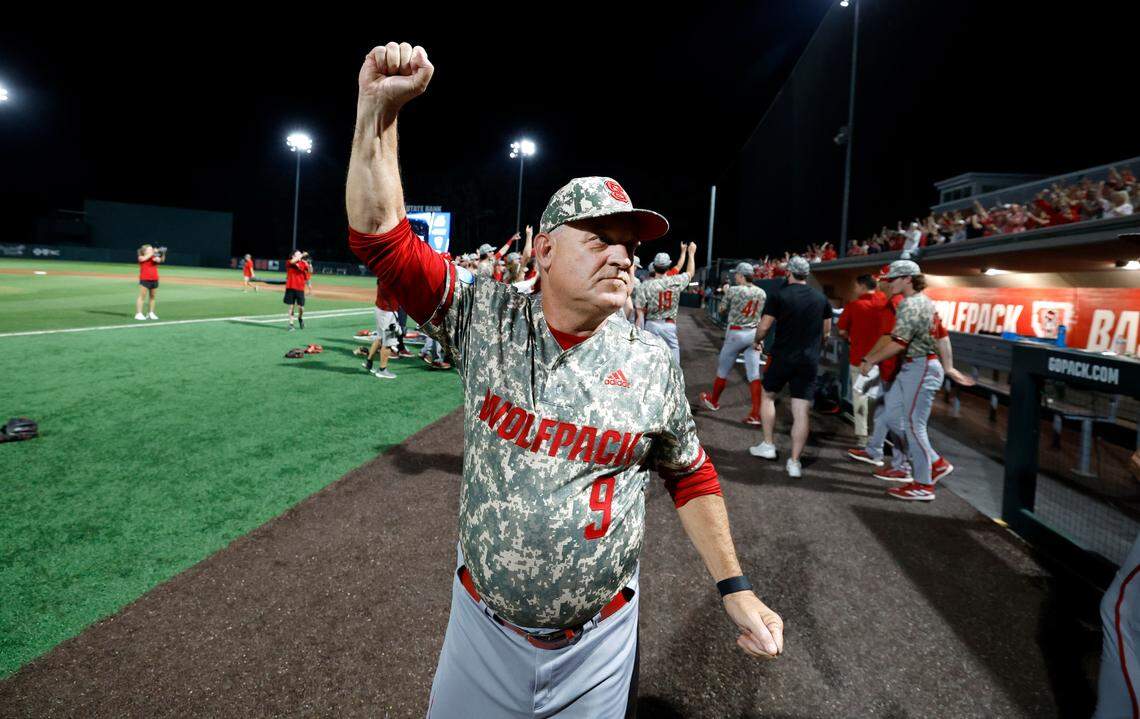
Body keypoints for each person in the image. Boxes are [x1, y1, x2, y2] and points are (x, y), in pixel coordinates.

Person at [345, 42, 783, 718]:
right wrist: (379, 112)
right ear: (543, 249)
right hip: (483, 630)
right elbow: (381, 236)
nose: (621, 255)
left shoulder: (650, 362)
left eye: (629, 244)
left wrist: (735, 585)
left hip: (599, 643)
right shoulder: (486, 318)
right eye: (599, 236)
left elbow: (689, 471)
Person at [858, 260, 947, 502]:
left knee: (913, 425)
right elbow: (943, 337)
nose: (889, 282)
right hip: (917, 365)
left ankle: (923, 484)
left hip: (920, 365)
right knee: (889, 416)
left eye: (894, 278)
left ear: (908, 279)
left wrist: (870, 360)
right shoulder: (923, 302)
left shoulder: (911, 303)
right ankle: (935, 462)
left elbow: (898, 343)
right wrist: (949, 367)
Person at [748, 255, 831, 478]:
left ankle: (768, 444)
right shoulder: (820, 298)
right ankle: (794, 462)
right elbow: (826, 332)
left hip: (783, 356)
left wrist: (757, 340)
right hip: (808, 360)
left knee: (768, 396)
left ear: (789, 273)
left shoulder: (780, 294)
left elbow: (764, 326)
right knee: (801, 410)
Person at [698, 262, 766, 425]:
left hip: (736, 333)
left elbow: (721, 310)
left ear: (742, 275)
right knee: (754, 374)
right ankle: (755, 414)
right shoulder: (761, 292)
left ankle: (713, 401)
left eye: (737, 274)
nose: (736, 276)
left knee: (723, 371)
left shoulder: (734, 290)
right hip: (754, 333)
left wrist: (728, 295)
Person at [836, 274, 885, 447]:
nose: (855, 289)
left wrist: (850, 337)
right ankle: (876, 435)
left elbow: (841, 330)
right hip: (883, 360)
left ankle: (863, 437)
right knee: (878, 400)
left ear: (863, 286)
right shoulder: (885, 304)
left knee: (860, 398)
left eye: (856, 286)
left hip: (860, 359)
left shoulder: (855, 305)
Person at [633, 242, 696, 365]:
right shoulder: (675, 280)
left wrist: (638, 335)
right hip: (669, 325)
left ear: (654, 266)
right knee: (674, 364)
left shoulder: (645, 285)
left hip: (651, 325)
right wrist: (691, 253)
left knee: (650, 362)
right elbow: (690, 273)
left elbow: (640, 316)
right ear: (668, 266)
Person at [363, 278, 398, 379]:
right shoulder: (392, 277)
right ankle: (382, 370)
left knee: (379, 338)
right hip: (388, 311)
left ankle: (368, 362)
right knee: (388, 342)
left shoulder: (384, 273)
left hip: (381, 309)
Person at [135, 244, 164, 320]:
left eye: (152, 249)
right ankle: (138, 314)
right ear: (144, 251)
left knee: (152, 297)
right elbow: (143, 259)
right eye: (150, 249)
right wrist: (154, 252)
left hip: (154, 279)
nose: (151, 250)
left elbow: (161, 260)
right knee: (142, 297)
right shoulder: (141, 257)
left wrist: (162, 253)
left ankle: (150, 313)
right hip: (145, 279)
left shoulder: (154, 257)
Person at [283, 250, 311, 330]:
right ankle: (291, 324)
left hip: (300, 288)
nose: (300, 255)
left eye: (300, 254)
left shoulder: (302, 263)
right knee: (291, 307)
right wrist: (302, 254)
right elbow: (292, 261)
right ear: (293, 256)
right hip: (290, 287)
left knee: (301, 307)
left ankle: (300, 318)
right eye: (298, 254)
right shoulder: (289, 262)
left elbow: (310, 271)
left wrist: (309, 265)